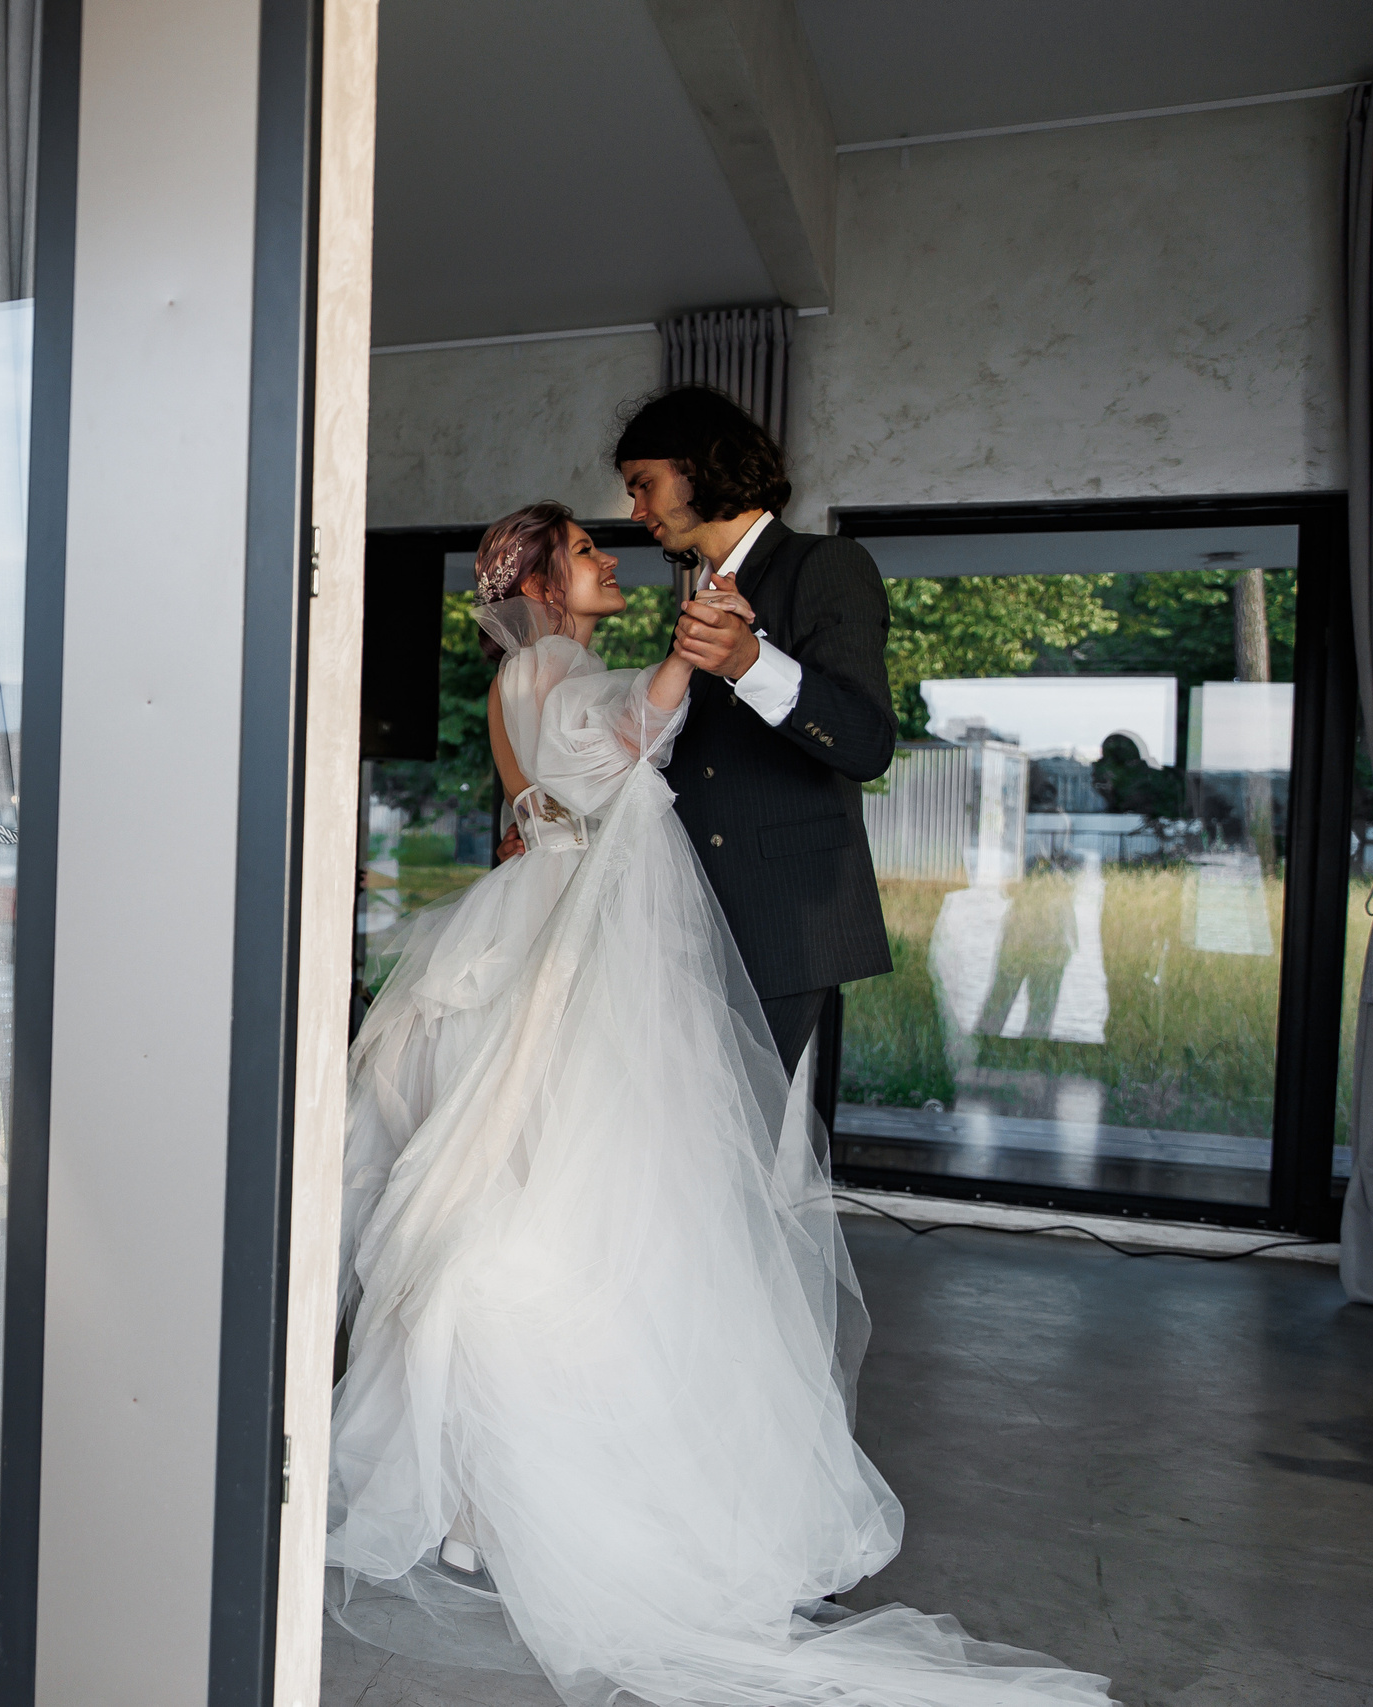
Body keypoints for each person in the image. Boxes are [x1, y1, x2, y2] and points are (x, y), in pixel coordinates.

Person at [326, 501, 1111, 1706]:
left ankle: (494, 1483)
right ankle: (516, 1480)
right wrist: (693, 661)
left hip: (566, 932)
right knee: (569, 1204)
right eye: (590, 551)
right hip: (572, 945)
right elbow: (615, 748)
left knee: (569, 1193)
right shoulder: (548, 661)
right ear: (540, 576)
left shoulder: (547, 667)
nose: (612, 561)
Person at [616, 385, 896, 1078]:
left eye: (644, 485)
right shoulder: (698, 594)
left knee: (729, 1154)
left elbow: (865, 741)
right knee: (682, 1145)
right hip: (686, 917)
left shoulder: (825, 565)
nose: (637, 511)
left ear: (698, 466)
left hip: (783, 917)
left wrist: (751, 660)